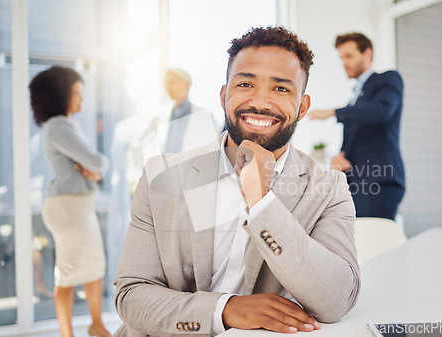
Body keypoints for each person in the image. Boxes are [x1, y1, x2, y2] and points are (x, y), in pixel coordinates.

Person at [113, 26, 360, 337]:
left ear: (303, 107)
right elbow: (132, 295)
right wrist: (226, 310)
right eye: (245, 83)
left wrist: (262, 202)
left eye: (281, 89)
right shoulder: (160, 176)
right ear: (223, 95)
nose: (260, 101)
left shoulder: (328, 188)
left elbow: (337, 299)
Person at [29, 66, 111, 337]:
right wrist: (98, 169)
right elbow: (97, 162)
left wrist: (95, 172)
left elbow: (91, 168)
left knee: (94, 266)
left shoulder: (65, 126)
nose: (82, 99)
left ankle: (96, 325)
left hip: (76, 207)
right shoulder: (58, 127)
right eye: (76, 93)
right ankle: (67, 333)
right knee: (67, 271)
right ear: (60, 95)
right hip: (69, 209)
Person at [308, 32, 405, 221]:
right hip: (359, 181)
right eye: (342, 57)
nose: (344, 62)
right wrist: (341, 157)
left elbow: (382, 110)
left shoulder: (388, 79)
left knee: (375, 244)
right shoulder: (356, 95)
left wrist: (333, 112)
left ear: (367, 54)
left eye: (349, 56)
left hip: (379, 180)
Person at [128, 67, 220, 172]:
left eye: (172, 82)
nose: (168, 88)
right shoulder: (158, 117)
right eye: (166, 84)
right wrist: (144, 168)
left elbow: (214, 153)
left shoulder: (206, 117)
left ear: (187, 84)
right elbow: (138, 143)